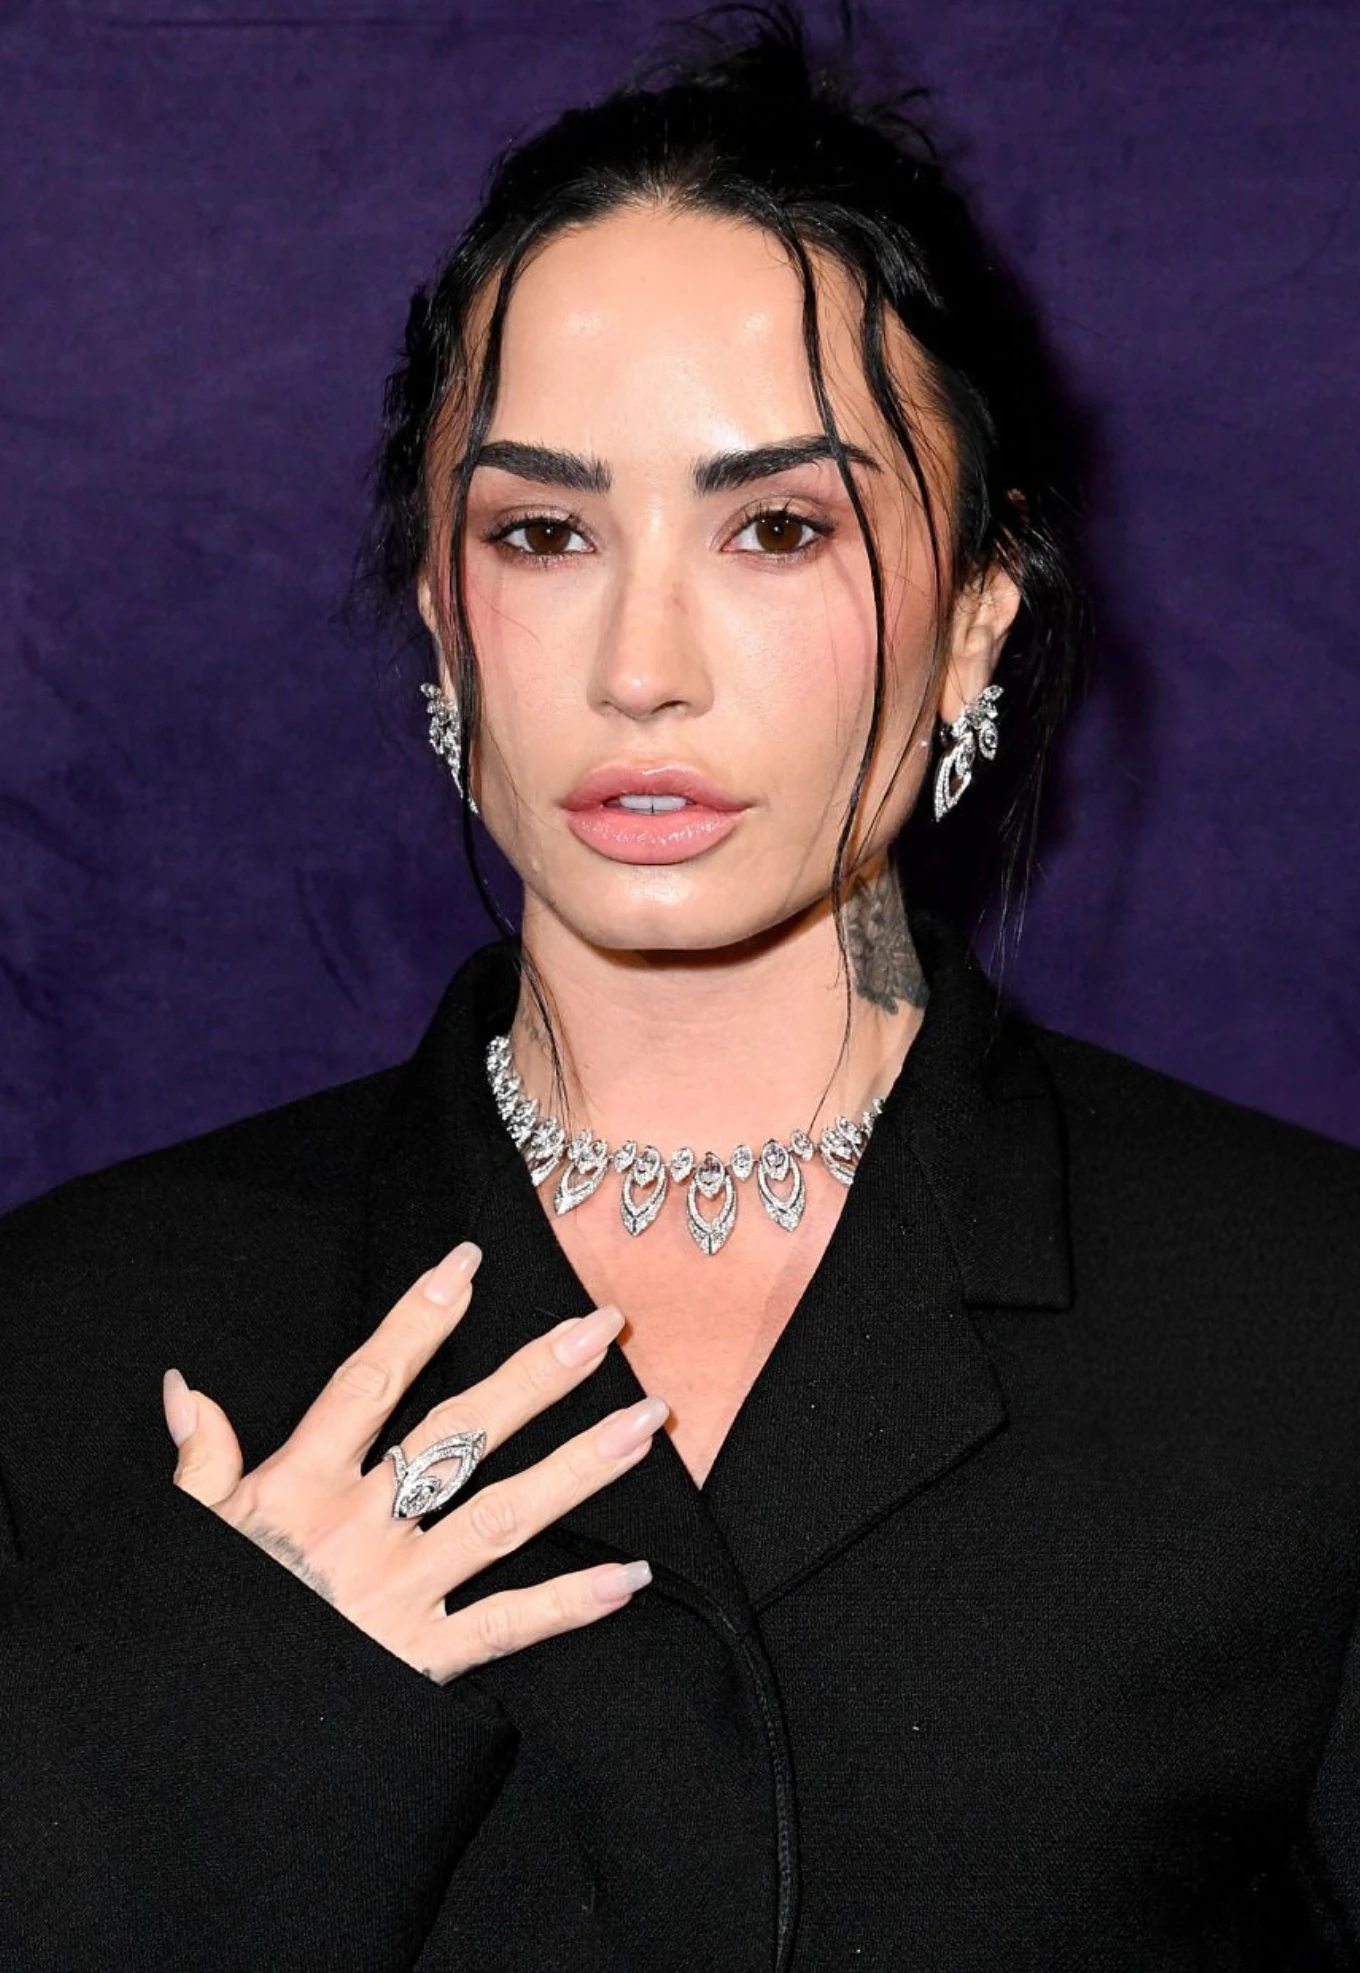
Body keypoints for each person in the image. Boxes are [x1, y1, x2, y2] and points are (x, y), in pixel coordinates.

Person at [1, 10, 1356, 1969]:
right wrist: (201, 1736)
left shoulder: (1298, 1323)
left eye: (777, 529)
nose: (643, 664)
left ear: (976, 621)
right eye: (543, 532)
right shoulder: (78, 1337)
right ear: (444, 617)